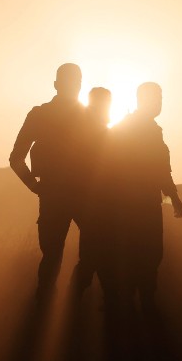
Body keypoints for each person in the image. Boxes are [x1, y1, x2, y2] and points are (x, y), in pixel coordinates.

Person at [101, 82, 182, 315]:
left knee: (147, 257)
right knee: (143, 256)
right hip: (135, 207)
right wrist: (175, 197)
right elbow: (158, 168)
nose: (159, 103)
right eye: (156, 98)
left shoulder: (142, 128)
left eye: (161, 97)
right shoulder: (137, 129)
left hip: (141, 205)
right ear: (143, 100)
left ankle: (136, 308)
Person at [9, 63, 88, 303]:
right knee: (54, 257)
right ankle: (50, 306)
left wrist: (35, 186)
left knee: (88, 251)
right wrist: (34, 186)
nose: (73, 87)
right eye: (70, 82)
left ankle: (68, 303)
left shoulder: (87, 116)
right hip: (58, 195)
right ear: (56, 85)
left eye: (76, 82)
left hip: (75, 194)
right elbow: (16, 158)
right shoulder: (41, 115)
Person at [71, 86, 112, 298]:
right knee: (94, 259)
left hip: (97, 206)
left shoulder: (92, 129)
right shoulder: (93, 132)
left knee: (94, 258)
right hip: (93, 206)